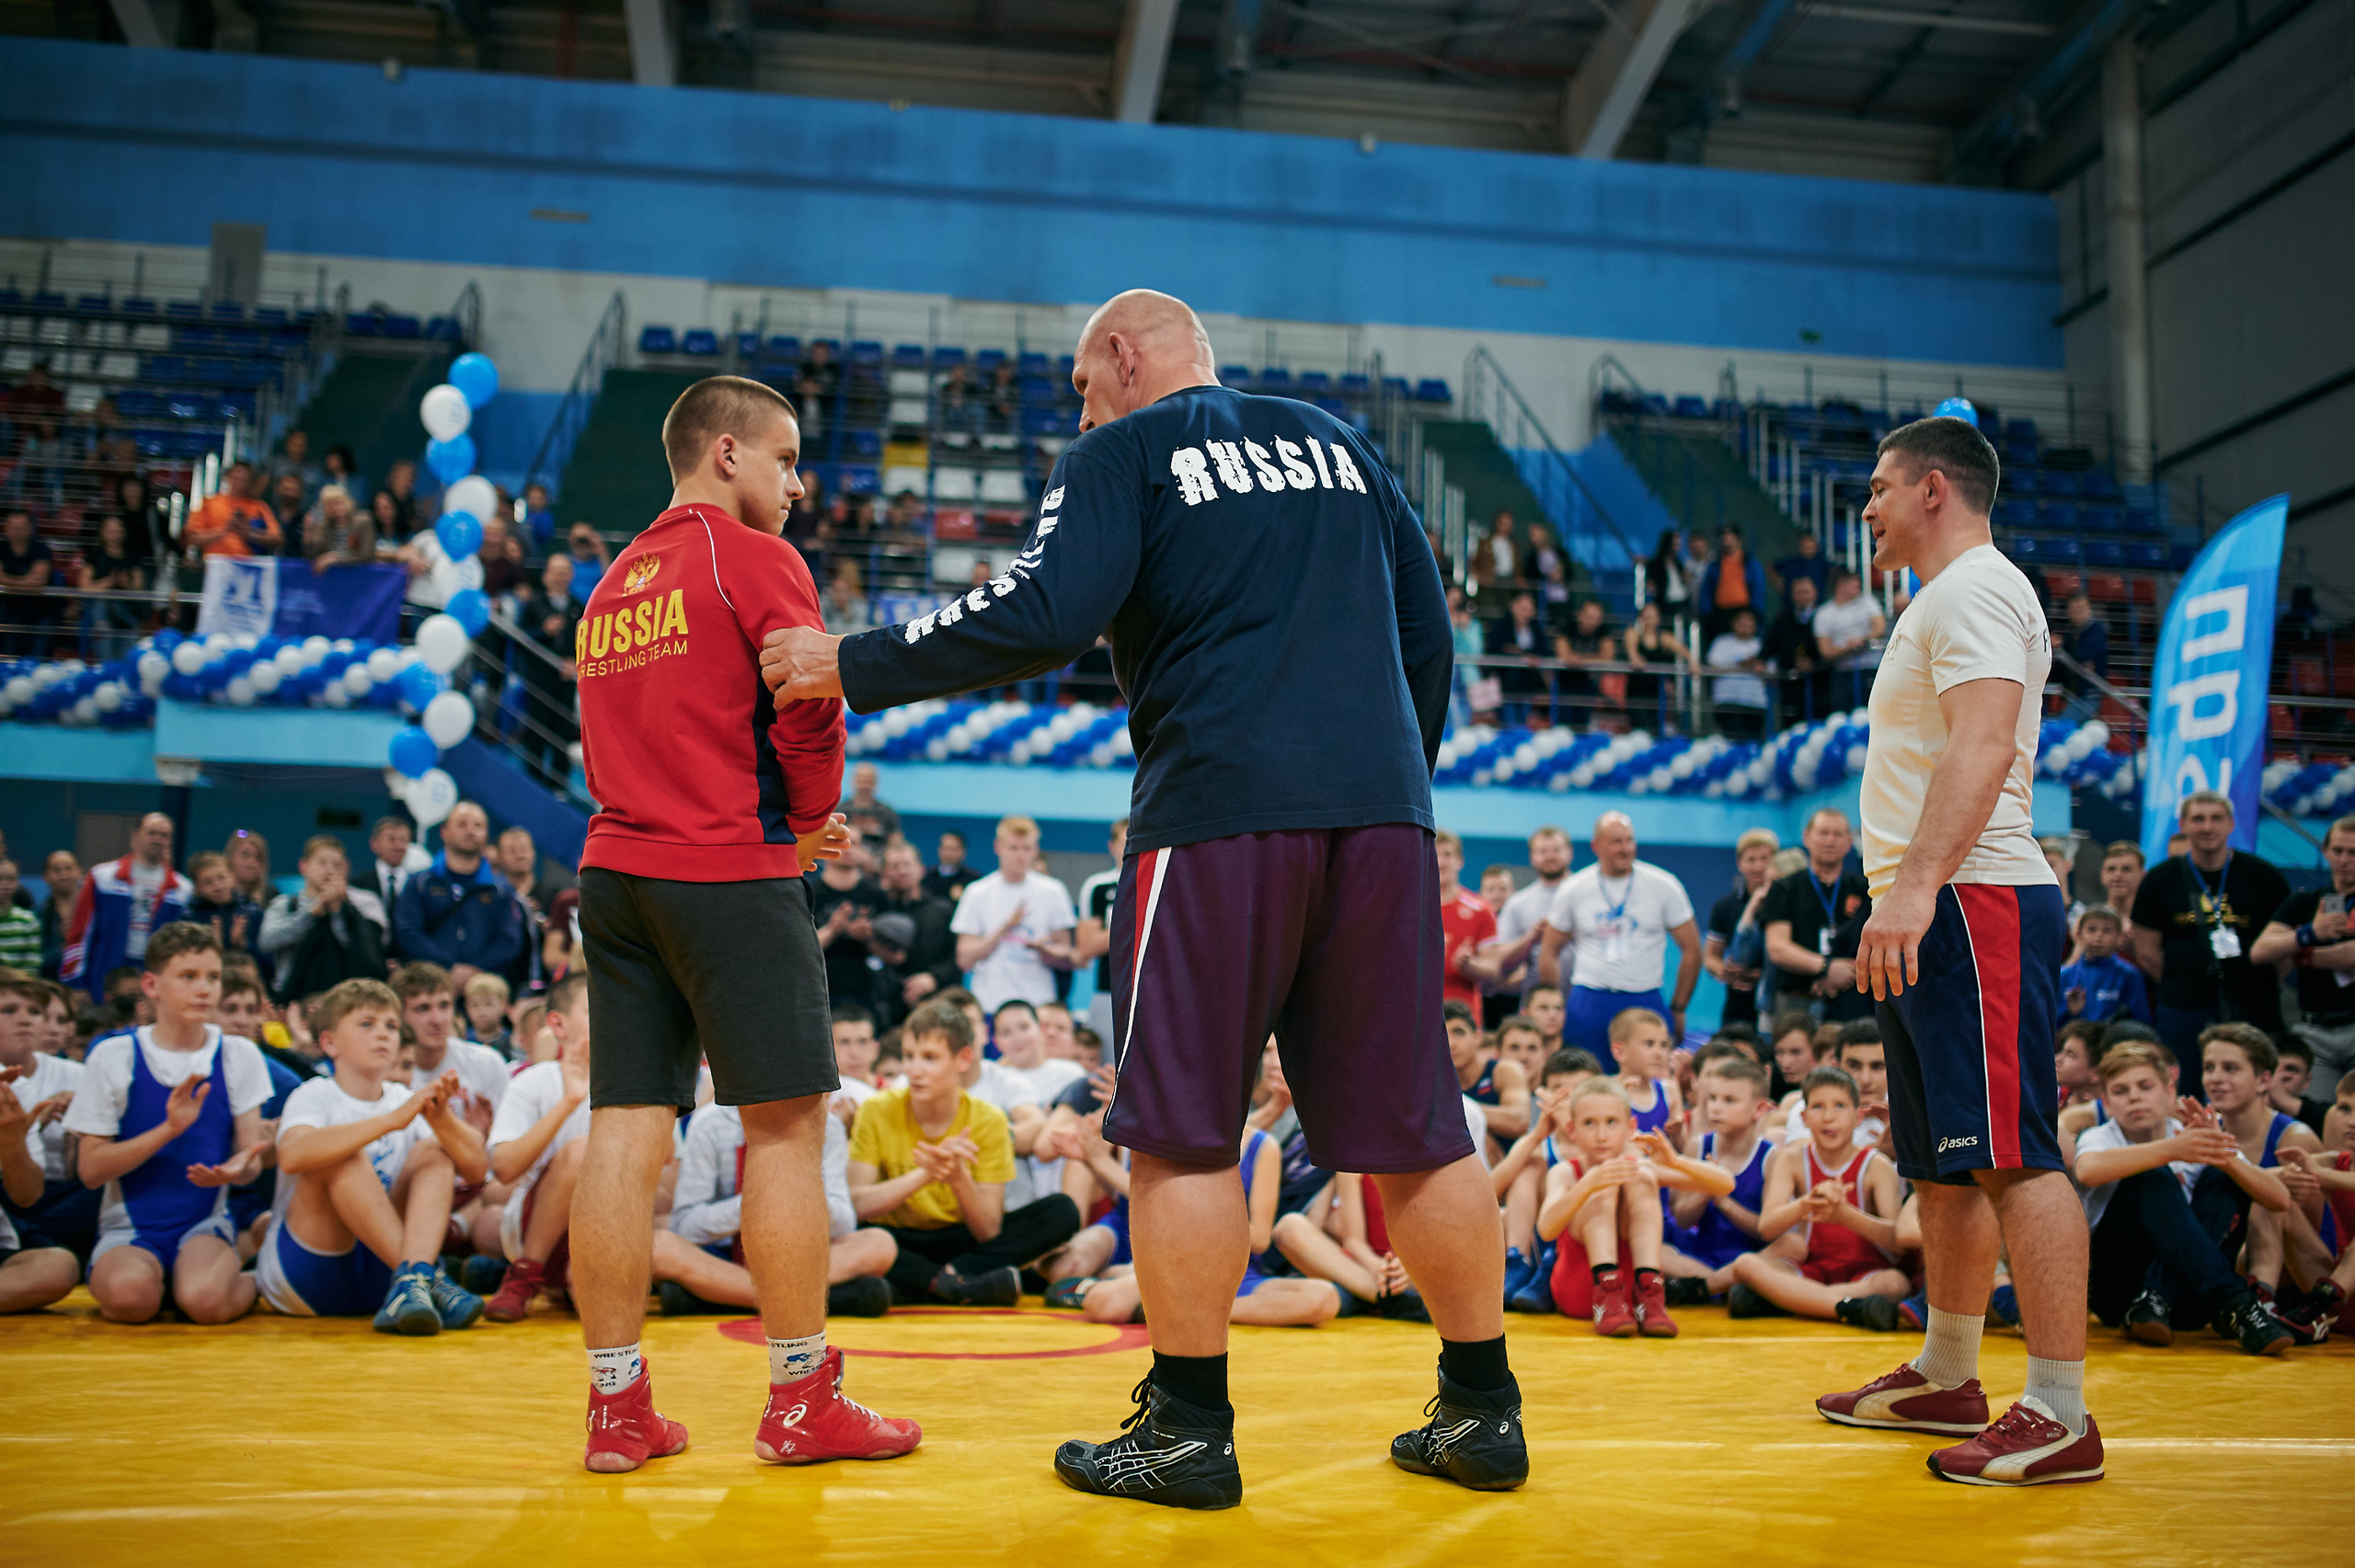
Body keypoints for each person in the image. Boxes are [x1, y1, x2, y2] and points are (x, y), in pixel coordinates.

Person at [756, 289, 1523, 1505]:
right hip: (1381, 818)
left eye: (1079, 378)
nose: (1080, 400)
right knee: (1422, 1127)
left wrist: (853, 662)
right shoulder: (1340, 441)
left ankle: (1187, 1430)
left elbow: (1046, 613)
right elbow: (1427, 633)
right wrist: (1385, 787)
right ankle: (1484, 1409)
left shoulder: (1124, 448)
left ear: (1123, 355)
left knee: (1182, 1128)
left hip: (1220, 812)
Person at [565, 374, 915, 1475]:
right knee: (782, 1128)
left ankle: (616, 1412)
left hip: (616, 871)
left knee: (625, 1128)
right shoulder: (754, 556)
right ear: (726, 453)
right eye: (786, 459)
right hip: (724, 866)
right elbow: (809, 699)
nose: (798, 486)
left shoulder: (612, 582)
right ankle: (802, 1398)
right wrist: (810, 824)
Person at [1818, 415, 2098, 1487]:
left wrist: (1920, 886)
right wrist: (1900, 890)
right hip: (1931, 899)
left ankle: (2061, 1412)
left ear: (1934, 488)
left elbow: (1983, 745)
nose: (1869, 507)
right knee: (1944, 1160)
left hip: (1971, 896)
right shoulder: (1939, 599)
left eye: (1880, 489)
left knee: (2013, 1154)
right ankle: (1947, 1369)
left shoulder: (1977, 587)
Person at [63, 924, 271, 1324]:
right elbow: (90, 1171)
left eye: (213, 977)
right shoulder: (113, 1055)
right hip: (126, 1228)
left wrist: (237, 1169)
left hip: (205, 1224)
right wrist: (169, 1129)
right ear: (151, 984)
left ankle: (259, 1278)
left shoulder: (238, 1054)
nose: (205, 989)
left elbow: (250, 1162)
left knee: (206, 1303)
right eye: (188, 977)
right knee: (131, 1299)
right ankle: (159, 1282)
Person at [255, 978, 488, 1332]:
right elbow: (291, 1155)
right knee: (342, 1154)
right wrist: (391, 1121)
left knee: (434, 1152)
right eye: (367, 1024)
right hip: (310, 1273)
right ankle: (425, 1277)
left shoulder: (400, 1097)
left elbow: (476, 1171)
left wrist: (443, 1123)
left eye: (392, 1026)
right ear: (329, 1042)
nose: (383, 1034)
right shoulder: (314, 1094)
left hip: (384, 1278)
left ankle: (416, 1277)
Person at [2065, 1039, 2294, 1355]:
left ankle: (2160, 1295)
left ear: (2169, 1093)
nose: (2134, 1097)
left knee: (2223, 1178)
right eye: (2121, 1091)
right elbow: (2088, 1171)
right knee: (2149, 1173)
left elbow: (2279, 1199)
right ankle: (2240, 1305)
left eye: (2145, 1086)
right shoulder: (2100, 1136)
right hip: (2117, 1292)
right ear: (2107, 1102)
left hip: (2188, 1298)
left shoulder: (2191, 1133)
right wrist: (2171, 1150)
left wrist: (2222, 1155)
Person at [846, 1000, 1081, 1304]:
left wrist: (958, 1178)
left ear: (963, 1059)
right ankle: (960, 1284)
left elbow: (988, 1231)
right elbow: (857, 1206)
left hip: (965, 1241)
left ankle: (930, 1283)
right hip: (897, 1237)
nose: (915, 1070)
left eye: (930, 1058)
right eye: (908, 1056)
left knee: (1062, 1211)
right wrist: (925, 1175)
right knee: (854, 1232)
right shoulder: (876, 1110)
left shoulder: (989, 1119)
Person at [661, 1088, 897, 1319]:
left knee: (879, 1243)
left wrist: (800, 1200)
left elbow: (844, 1224)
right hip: (726, 1256)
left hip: (802, 1257)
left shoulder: (827, 1125)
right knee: (660, 1247)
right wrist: (757, 1204)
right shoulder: (710, 1123)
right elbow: (685, 1227)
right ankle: (823, 1300)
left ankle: (726, 1298)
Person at [1535, 1076, 1732, 1333]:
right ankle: (1606, 1291)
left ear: (1630, 1127)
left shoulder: (1638, 1167)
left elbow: (1725, 1184)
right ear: (1571, 1130)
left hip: (1628, 1297)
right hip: (1580, 1290)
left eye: (1611, 1122)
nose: (1601, 1135)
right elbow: (1546, 1229)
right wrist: (1589, 1184)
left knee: (1641, 1175)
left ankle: (1650, 1294)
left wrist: (1675, 1161)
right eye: (1589, 1124)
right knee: (1605, 1180)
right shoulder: (1565, 1172)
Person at [1729, 1064, 1912, 1325]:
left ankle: (1796, 1301)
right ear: (1803, 1118)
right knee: (1746, 1264)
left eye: (1839, 1106)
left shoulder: (1876, 1165)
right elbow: (1767, 1227)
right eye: (1817, 1107)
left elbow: (1898, 1245)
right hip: (1812, 1268)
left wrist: (1846, 1216)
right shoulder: (1791, 1159)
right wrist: (1806, 1203)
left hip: (1865, 1272)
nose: (1828, 1117)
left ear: (1858, 1117)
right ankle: (1846, 1308)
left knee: (1896, 1283)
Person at [2129, 791, 2291, 1061]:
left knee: (2252, 1089)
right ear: (2183, 826)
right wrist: (2182, 985)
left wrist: (2256, 984)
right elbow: (2146, 950)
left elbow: (2284, 951)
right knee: (2182, 1093)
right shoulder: (2159, 880)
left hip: (2254, 1007)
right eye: (2198, 819)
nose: (2207, 827)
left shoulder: (2264, 877)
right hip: (2183, 1010)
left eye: (2216, 819)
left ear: (2231, 824)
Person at [1534, 811, 1700, 1070]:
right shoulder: (1574, 888)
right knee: (1584, 1076)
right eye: (1616, 842)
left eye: (1629, 841)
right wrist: (1556, 1003)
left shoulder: (1664, 885)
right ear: (1596, 845)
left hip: (1644, 996)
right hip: (1590, 998)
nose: (1625, 849)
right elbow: (1549, 951)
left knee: (1649, 1078)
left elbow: (1692, 950)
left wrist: (1679, 1006)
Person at [479, 972, 595, 1322]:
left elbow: (666, 1178)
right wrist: (570, 1101)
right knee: (580, 1151)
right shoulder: (535, 1082)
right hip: (535, 1226)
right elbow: (503, 1167)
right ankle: (526, 1272)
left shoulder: (639, 1083)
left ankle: (560, 1283)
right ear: (558, 1024)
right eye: (596, 1010)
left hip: (604, 1223)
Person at [2248, 814, 2355, 1090]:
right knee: (2314, 1114)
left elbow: (2350, 955)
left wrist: (2303, 955)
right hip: (2314, 1030)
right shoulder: (2305, 902)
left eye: (2353, 852)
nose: (2345, 860)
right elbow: (2260, 951)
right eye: (2338, 851)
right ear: (2326, 852)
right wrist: (2309, 934)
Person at [1664, 1053, 1775, 1299]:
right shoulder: (1697, 1147)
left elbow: (1766, 1231)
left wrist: (1723, 1201)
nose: (1715, 1107)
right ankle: (1724, 1286)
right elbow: (1682, 1219)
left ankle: (1712, 1287)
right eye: (1713, 1098)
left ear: (1759, 1109)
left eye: (1729, 1100)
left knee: (1789, 1249)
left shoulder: (1771, 1156)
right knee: (1657, 1253)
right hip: (1702, 1256)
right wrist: (1704, 1195)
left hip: (1753, 1257)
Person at [948, 817, 1076, 1016]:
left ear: (1035, 850)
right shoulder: (977, 892)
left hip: (1038, 1003)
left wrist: (1045, 950)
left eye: (1026, 848)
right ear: (998, 847)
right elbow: (964, 958)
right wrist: (1005, 927)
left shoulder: (1053, 891)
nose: (1020, 856)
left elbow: (1068, 956)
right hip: (990, 1003)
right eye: (1013, 848)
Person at [60, 813, 190, 1004]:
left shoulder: (183, 889)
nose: (158, 839)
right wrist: (75, 983)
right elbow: (80, 933)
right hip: (105, 972)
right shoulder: (103, 878)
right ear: (135, 835)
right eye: (152, 833)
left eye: (164, 835)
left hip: (156, 977)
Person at [392, 804, 527, 985]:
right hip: (429, 984)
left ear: (486, 834)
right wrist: (447, 968)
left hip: (484, 991)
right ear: (444, 832)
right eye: (462, 824)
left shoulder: (501, 889)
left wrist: (474, 973)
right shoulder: (420, 883)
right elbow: (408, 932)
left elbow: (509, 941)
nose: (470, 831)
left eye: (478, 826)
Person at [1762, 808, 1870, 1020]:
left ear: (1849, 842)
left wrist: (1843, 974)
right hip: (1797, 1000)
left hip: (1850, 996)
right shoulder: (1784, 888)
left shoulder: (1863, 889)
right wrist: (1826, 968)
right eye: (1823, 833)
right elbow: (1777, 948)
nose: (1830, 840)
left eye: (1838, 835)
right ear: (1807, 837)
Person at [258, 835, 388, 1003]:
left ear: (346, 868)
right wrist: (312, 914)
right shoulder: (285, 903)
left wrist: (339, 911)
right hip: (293, 999)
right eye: (322, 862)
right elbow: (267, 941)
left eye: (336, 865)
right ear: (303, 866)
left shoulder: (364, 903)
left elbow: (370, 950)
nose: (329, 870)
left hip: (346, 999)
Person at [1468, 825, 1572, 1017]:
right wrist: (1530, 938)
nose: (1550, 856)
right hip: (1534, 1010)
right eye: (1543, 851)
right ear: (1532, 856)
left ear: (1570, 853)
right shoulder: (1518, 904)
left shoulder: (1588, 895)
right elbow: (1502, 964)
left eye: (1556, 850)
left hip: (1584, 998)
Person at [1702, 829, 1778, 1030]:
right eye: (1751, 859)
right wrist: (1727, 973)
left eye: (1765, 859)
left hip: (1777, 1004)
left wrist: (1759, 974)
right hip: (1738, 1006)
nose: (1758, 866)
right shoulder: (1725, 906)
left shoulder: (1788, 902)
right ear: (1740, 864)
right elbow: (1710, 957)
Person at [517, 555, 582, 790]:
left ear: (571, 576)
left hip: (566, 681)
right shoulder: (534, 603)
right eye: (556, 571)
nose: (561, 576)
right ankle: (531, 783)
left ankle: (559, 787)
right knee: (536, 727)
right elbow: (520, 638)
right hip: (539, 678)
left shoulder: (578, 606)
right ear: (545, 576)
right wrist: (543, 630)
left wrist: (576, 663)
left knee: (563, 731)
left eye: (565, 571)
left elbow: (587, 643)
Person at [1071, 818, 1127, 1044]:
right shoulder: (1098, 887)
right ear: (1111, 846)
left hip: (1155, 991)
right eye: (1125, 842)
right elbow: (1086, 948)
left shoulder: (1163, 882)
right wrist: (1130, 922)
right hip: (1108, 991)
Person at [1434, 830, 1496, 1014]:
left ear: (1460, 860)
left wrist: (1470, 966)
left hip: (1465, 1014)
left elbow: (1494, 969)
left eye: (1448, 854)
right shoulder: (1409, 908)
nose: (1441, 862)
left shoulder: (1480, 910)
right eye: (1435, 854)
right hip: (1416, 1011)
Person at [2061, 905, 2153, 1025]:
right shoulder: (2065, 975)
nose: (2099, 936)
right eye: (2092, 929)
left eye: (2107, 930)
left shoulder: (2130, 975)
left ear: (2119, 937)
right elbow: (2050, 1023)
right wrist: (2071, 1013)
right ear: (2079, 935)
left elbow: (2141, 1023)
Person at [1813, 567, 1885, 713]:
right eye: (1854, 582)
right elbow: (1825, 651)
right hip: (1842, 673)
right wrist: (1848, 647)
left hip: (1870, 668)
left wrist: (1863, 640)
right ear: (1841, 585)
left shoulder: (1868, 602)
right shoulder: (1824, 613)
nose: (1858, 585)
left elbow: (1880, 627)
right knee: (1842, 713)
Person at [1621, 599, 1697, 731]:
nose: (1650, 619)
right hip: (1636, 691)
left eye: (1653, 616)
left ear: (1658, 619)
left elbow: (1682, 649)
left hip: (1656, 693)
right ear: (1641, 618)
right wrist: (1635, 658)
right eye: (1646, 616)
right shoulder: (1633, 633)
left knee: (1655, 728)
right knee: (1640, 727)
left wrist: (1692, 662)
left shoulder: (1663, 637)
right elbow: (1630, 648)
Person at [1763, 573, 1828, 727]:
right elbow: (1769, 646)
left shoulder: (1825, 616)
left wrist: (1814, 663)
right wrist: (1761, 661)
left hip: (1821, 683)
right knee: (1791, 724)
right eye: (1797, 592)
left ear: (1815, 593)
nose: (1801, 596)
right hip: (1790, 683)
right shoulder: (1783, 620)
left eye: (1805, 591)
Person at [181, 462, 281, 557]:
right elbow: (191, 538)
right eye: (236, 478)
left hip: (249, 566)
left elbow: (278, 538)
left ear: (250, 481)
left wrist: (250, 534)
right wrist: (224, 530)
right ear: (228, 477)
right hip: (216, 564)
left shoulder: (259, 506)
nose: (239, 482)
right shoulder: (210, 503)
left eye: (244, 479)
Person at [1706, 607, 1771, 740]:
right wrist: (1739, 665)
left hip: (1755, 702)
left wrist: (1757, 666)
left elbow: (1771, 673)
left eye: (1749, 622)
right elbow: (1712, 668)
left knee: (1753, 743)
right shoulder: (1721, 642)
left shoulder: (1762, 645)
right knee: (1734, 741)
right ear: (1733, 623)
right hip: (1727, 701)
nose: (1745, 625)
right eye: (1741, 621)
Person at [183, 852, 262, 960]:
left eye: (222, 878)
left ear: (232, 877)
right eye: (208, 882)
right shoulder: (190, 916)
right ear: (197, 890)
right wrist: (211, 947)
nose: (218, 887)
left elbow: (269, 965)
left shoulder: (252, 911)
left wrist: (242, 944)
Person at [1694, 525, 1764, 640]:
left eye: (1729, 537)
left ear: (1738, 540)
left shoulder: (1750, 563)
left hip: (1744, 612)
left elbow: (1758, 589)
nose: (1726, 542)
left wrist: (1754, 613)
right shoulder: (1715, 565)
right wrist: (1707, 615)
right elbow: (1707, 591)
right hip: (1721, 614)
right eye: (1723, 539)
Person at [354, 816, 424, 916]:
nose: (399, 846)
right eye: (392, 839)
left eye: (403, 840)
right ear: (374, 843)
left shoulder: (419, 885)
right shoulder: (358, 884)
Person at [2057, 591, 2109, 723]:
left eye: (2081, 609)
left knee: (2066, 725)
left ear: (2089, 609)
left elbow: (2087, 654)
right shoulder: (2069, 634)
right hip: (2071, 692)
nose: (2078, 613)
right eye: (2074, 610)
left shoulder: (2096, 630)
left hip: (2089, 692)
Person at [37, 850, 82, 981]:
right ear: (45, 877)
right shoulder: (41, 915)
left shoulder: (94, 912)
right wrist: (65, 946)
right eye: (56, 870)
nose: (64, 874)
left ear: (79, 872)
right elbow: (39, 959)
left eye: (68, 868)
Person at [843, 762, 901, 843]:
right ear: (853, 781)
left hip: (878, 854)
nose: (864, 786)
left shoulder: (887, 813)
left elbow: (895, 840)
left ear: (876, 783)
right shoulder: (841, 811)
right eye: (861, 781)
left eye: (868, 782)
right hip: (846, 853)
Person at [0, 860, 40, 973]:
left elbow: (32, 966)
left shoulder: (29, 921)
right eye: (0, 879)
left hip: (19, 987)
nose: (5, 884)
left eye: (10, 879)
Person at [1772, 530, 1830, 605]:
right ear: (1800, 547)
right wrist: (1778, 583)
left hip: (1816, 605)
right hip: (1791, 606)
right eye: (1805, 547)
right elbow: (1772, 566)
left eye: (1810, 547)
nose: (1808, 550)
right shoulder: (1791, 562)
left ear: (1816, 548)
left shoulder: (1822, 563)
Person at [925, 831, 980, 905]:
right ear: (939, 850)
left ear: (963, 852)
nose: (948, 853)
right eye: (945, 848)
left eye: (953, 849)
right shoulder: (926, 876)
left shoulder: (973, 879)